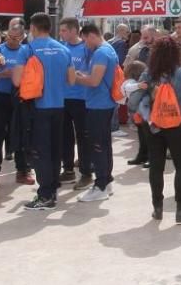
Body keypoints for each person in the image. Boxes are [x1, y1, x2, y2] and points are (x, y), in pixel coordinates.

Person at [130, 37, 181, 223]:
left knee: (156, 166)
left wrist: (147, 112)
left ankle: (158, 207)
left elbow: (132, 102)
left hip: (154, 126)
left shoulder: (148, 74)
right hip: (176, 126)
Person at [21, 13, 75, 211]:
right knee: (54, 150)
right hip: (59, 106)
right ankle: (52, 190)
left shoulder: (28, 50)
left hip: (38, 106)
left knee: (40, 151)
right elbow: (71, 80)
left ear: (33, 28)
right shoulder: (63, 49)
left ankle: (45, 195)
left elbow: (18, 80)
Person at [71, 24, 119, 202]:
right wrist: (81, 74)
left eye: (85, 40)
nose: (84, 44)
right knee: (104, 144)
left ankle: (100, 185)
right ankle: (106, 181)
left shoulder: (101, 53)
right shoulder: (107, 50)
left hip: (99, 104)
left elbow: (94, 81)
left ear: (91, 36)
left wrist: (72, 77)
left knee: (98, 145)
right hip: (102, 103)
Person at [0, 19, 33, 185]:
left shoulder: (27, 51)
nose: (10, 40)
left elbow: (32, 73)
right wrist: (2, 73)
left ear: (22, 37)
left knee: (21, 133)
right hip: (0, 96)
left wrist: (19, 75)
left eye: (15, 38)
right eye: (8, 36)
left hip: (20, 97)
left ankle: (23, 170)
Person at [59, 17, 92, 189]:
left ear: (74, 30)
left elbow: (92, 72)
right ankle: (68, 170)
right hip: (62, 98)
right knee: (65, 137)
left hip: (81, 98)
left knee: (83, 137)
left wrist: (80, 75)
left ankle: (86, 173)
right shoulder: (61, 48)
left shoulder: (86, 48)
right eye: (61, 30)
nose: (61, 34)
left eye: (64, 30)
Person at [123, 60, 150, 167]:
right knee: (143, 136)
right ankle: (143, 156)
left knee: (146, 136)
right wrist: (139, 85)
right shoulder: (133, 82)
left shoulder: (140, 81)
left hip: (140, 112)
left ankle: (145, 156)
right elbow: (127, 87)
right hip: (140, 112)